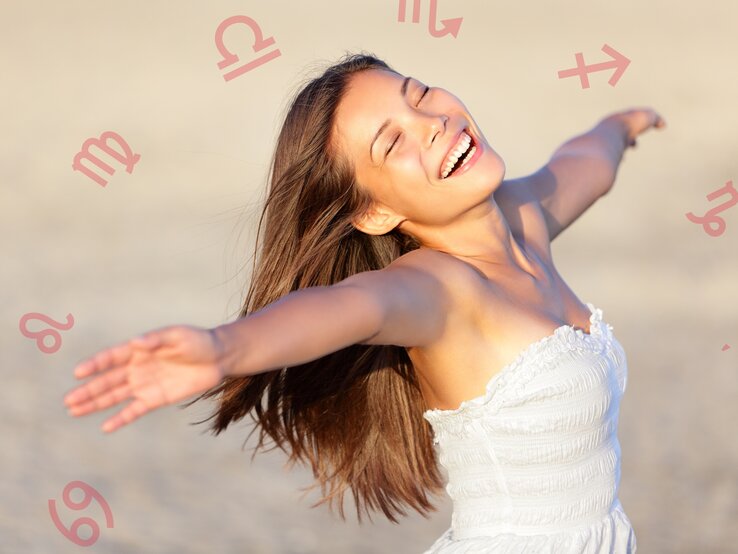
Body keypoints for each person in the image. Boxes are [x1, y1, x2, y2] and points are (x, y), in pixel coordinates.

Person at [63, 51, 665, 552]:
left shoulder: (525, 216)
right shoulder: (436, 289)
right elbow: (347, 307)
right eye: (392, 140)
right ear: (375, 211)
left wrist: (622, 125)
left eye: (420, 93)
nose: (432, 120)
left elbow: (585, 165)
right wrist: (226, 347)